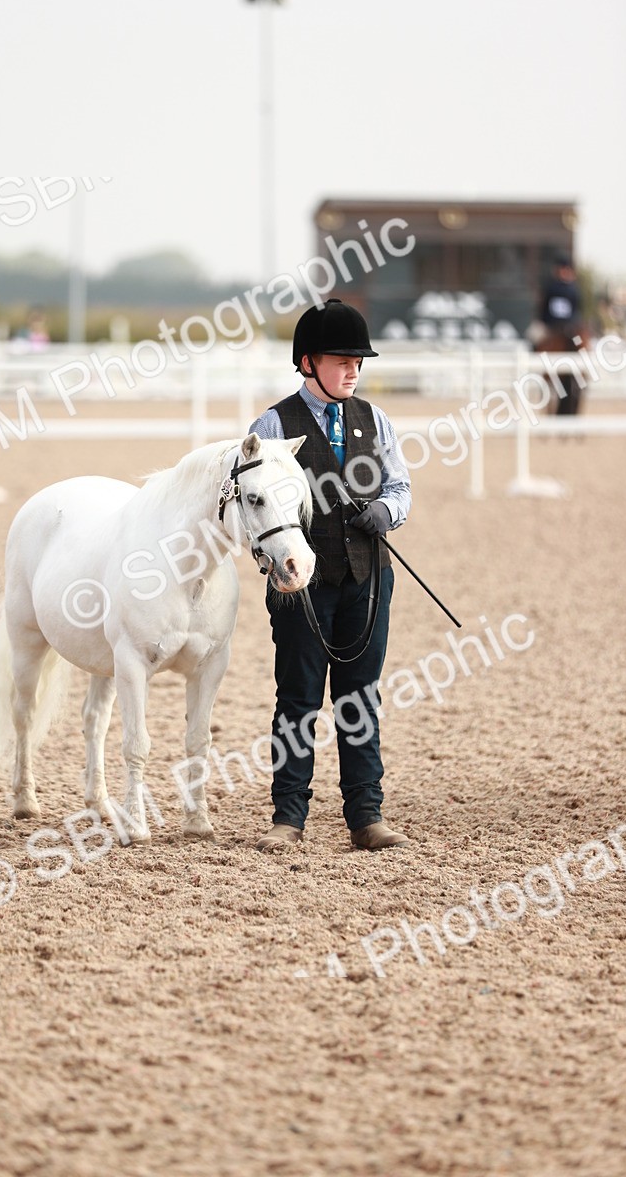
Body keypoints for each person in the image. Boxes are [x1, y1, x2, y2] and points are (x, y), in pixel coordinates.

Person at [248, 299, 412, 853]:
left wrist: (385, 513)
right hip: (301, 584)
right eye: (341, 360)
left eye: (357, 361)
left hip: (367, 578)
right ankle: (288, 817)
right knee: (298, 698)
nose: (353, 370)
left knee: (360, 699)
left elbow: (400, 487)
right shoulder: (272, 425)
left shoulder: (375, 419)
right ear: (307, 362)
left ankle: (366, 815)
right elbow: (259, 506)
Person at [537, 256, 586, 415]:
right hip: (550, 326)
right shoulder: (550, 287)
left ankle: (584, 369)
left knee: (580, 342)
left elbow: (577, 311)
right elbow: (543, 309)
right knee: (535, 339)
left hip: (569, 327)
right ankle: (536, 368)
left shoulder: (573, 289)